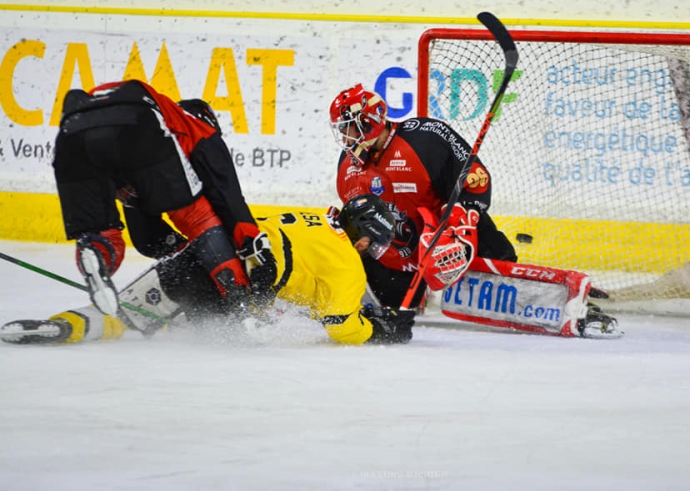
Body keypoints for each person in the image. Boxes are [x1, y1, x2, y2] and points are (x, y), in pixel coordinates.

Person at [0, 194, 416, 346]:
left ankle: (66, 325)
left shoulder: (313, 217)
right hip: (234, 288)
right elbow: (341, 326)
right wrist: (381, 330)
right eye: (374, 241)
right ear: (363, 234)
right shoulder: (348, 266)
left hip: (209, 253)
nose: (374, 249)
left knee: (127, 312)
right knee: (201, 332)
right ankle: (166, 325)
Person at [52, 80, 268, 322]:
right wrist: (249, 242)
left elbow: (147, 238)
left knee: (101, 231)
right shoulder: (196, 129)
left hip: (71, 132)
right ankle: (242, 306)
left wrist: (186, 255)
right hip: (135, 121)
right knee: (198, 218)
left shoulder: (152, 134)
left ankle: (96, 253)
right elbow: (228, 199)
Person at [330, 83, 517, 311]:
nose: (343, 137)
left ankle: (515, 289)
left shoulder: (425, 138)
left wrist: (459, 224)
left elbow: (474, 179)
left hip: (445, 242)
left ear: (368, 123)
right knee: (391, 306)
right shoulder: (347, 165)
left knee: (492, 244)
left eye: (347, 128)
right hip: (396, 261)